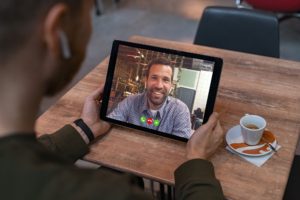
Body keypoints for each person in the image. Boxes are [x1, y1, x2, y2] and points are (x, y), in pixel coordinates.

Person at [0, 0, 225, 199]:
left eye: (165, 80)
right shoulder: (109, 193)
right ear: (56, 31)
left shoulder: (179, 109)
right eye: (88, 13)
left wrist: (85, 128)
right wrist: (196, 159)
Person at [108, 57, 192, 138]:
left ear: (171, 85)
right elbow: (109, 123)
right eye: (154, 78)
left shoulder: (180, 110)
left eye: (165, 80)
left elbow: (178, 147)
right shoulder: (130, 102)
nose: (159, 86)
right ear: (146, 81)